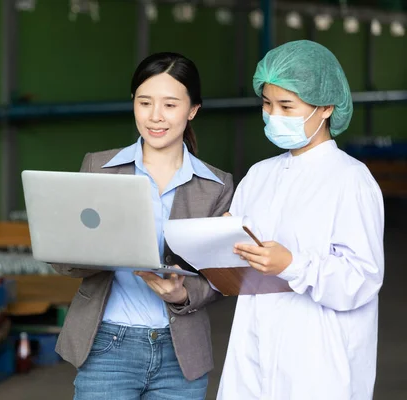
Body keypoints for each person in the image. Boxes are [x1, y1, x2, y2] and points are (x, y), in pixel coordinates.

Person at [51, 52, 234, 400]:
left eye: (170, 104)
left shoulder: (217, 186)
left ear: (193, 109)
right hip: (107, 345)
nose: (155, 117)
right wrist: (96, 251)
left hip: (181, 355)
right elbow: (64, 259)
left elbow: (222, 276)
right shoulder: (99, 167)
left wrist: (182, 294)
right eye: (144, 102)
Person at [216, 40, 385, 400]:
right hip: (254, 347)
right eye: (267, 103)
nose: (273, 115)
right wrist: (220, 242)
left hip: (320, 359)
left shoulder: (350, 179)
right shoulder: (259, 175)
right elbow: (237, 267)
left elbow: (362, 278)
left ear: (325, 108)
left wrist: (293, 264)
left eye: (286, 106)